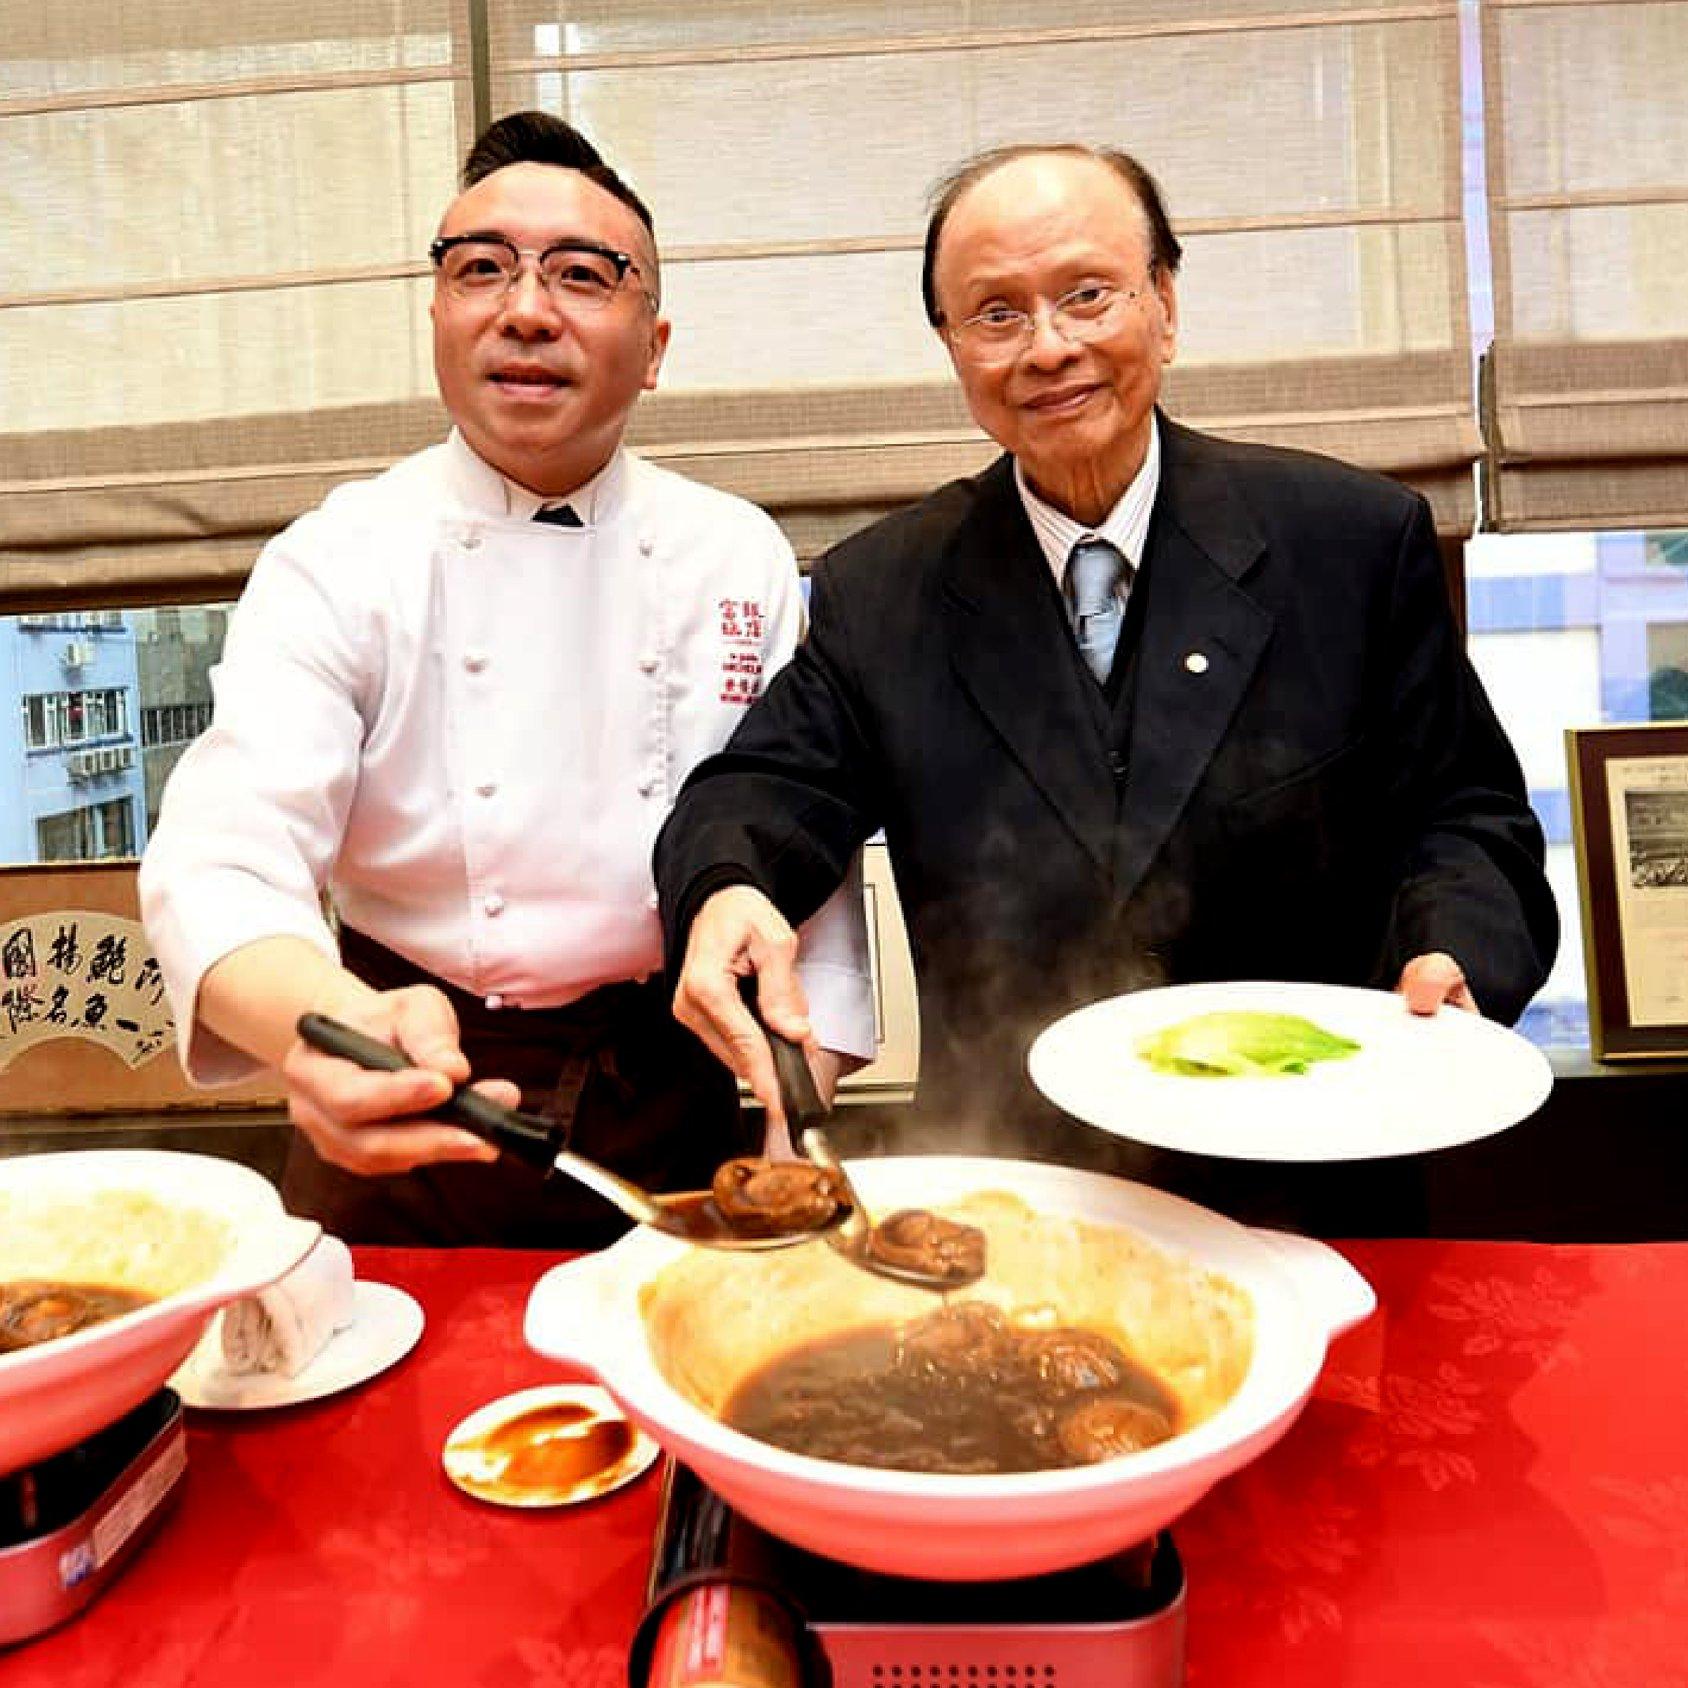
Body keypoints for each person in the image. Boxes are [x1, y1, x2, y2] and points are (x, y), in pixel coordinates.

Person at [654, 143, 1557, 1225]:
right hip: (1023, 1194)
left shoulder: (1349, 542)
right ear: (951, 348)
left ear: (1164, 306)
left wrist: (1454, 947)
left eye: (1087, 295)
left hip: (1318, 1174)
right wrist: (727, 883)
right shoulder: (882, 590)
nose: (1048, 347)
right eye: (996, 314)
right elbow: (759, 789)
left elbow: (1466, 816)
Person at [139, 112, 873, 1245]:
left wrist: (793, 1138)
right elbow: (223, 856)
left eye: (580, 274)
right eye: (481, 268)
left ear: (655, 344)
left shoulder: (736, 551)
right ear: (437, 316)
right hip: (413, 1093)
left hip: (668, 1095)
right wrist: (323, 1024)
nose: (525, 309)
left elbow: (798, 852)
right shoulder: (339, 556)